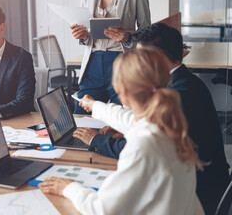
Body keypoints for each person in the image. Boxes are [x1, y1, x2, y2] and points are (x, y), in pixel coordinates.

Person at [74, 23, 230, 214]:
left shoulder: (181, 95)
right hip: (192, 191)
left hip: (201, 193)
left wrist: (95, 140)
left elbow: (104, 208)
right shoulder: (183, 83)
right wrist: (121, 125)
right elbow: (146, 126)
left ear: (157, 59)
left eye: (140, 58)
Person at [39, 48, 204, 215]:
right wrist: (95, 105)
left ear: (122, 90)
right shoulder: (168, 123)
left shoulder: (144, 145)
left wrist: (68, 187)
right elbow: (128, 119)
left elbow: (102, 209)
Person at [72, 0, 150, 114]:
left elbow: (147, 32)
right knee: (81, 118)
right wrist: (83, 36)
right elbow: (86, 29)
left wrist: (127, 36)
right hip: (93, 64)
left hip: (122, 63)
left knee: (120, 120)